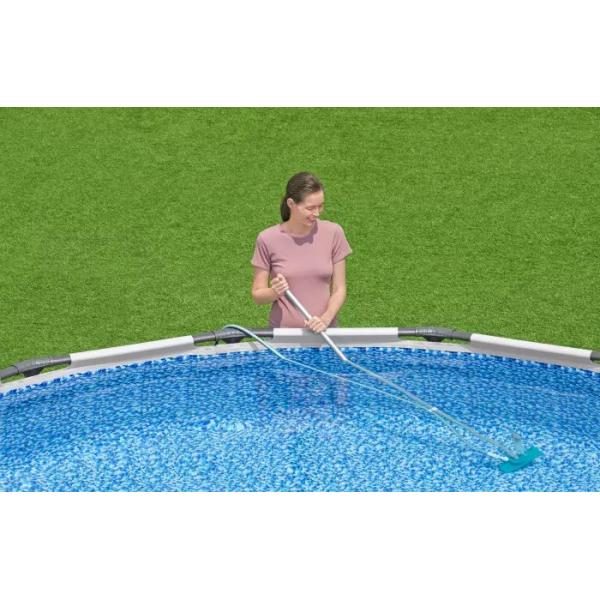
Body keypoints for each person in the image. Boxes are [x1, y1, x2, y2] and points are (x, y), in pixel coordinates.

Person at [251, 172, 352, 333]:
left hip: (325, 333)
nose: (317, 213)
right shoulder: (267, 239)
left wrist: (325, 319)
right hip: (283, 336)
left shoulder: (334, 233)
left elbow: (339, 289)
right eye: (310, 208)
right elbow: (257, 294)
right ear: (291, 203)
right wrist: (274, 292)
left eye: (320, 206)